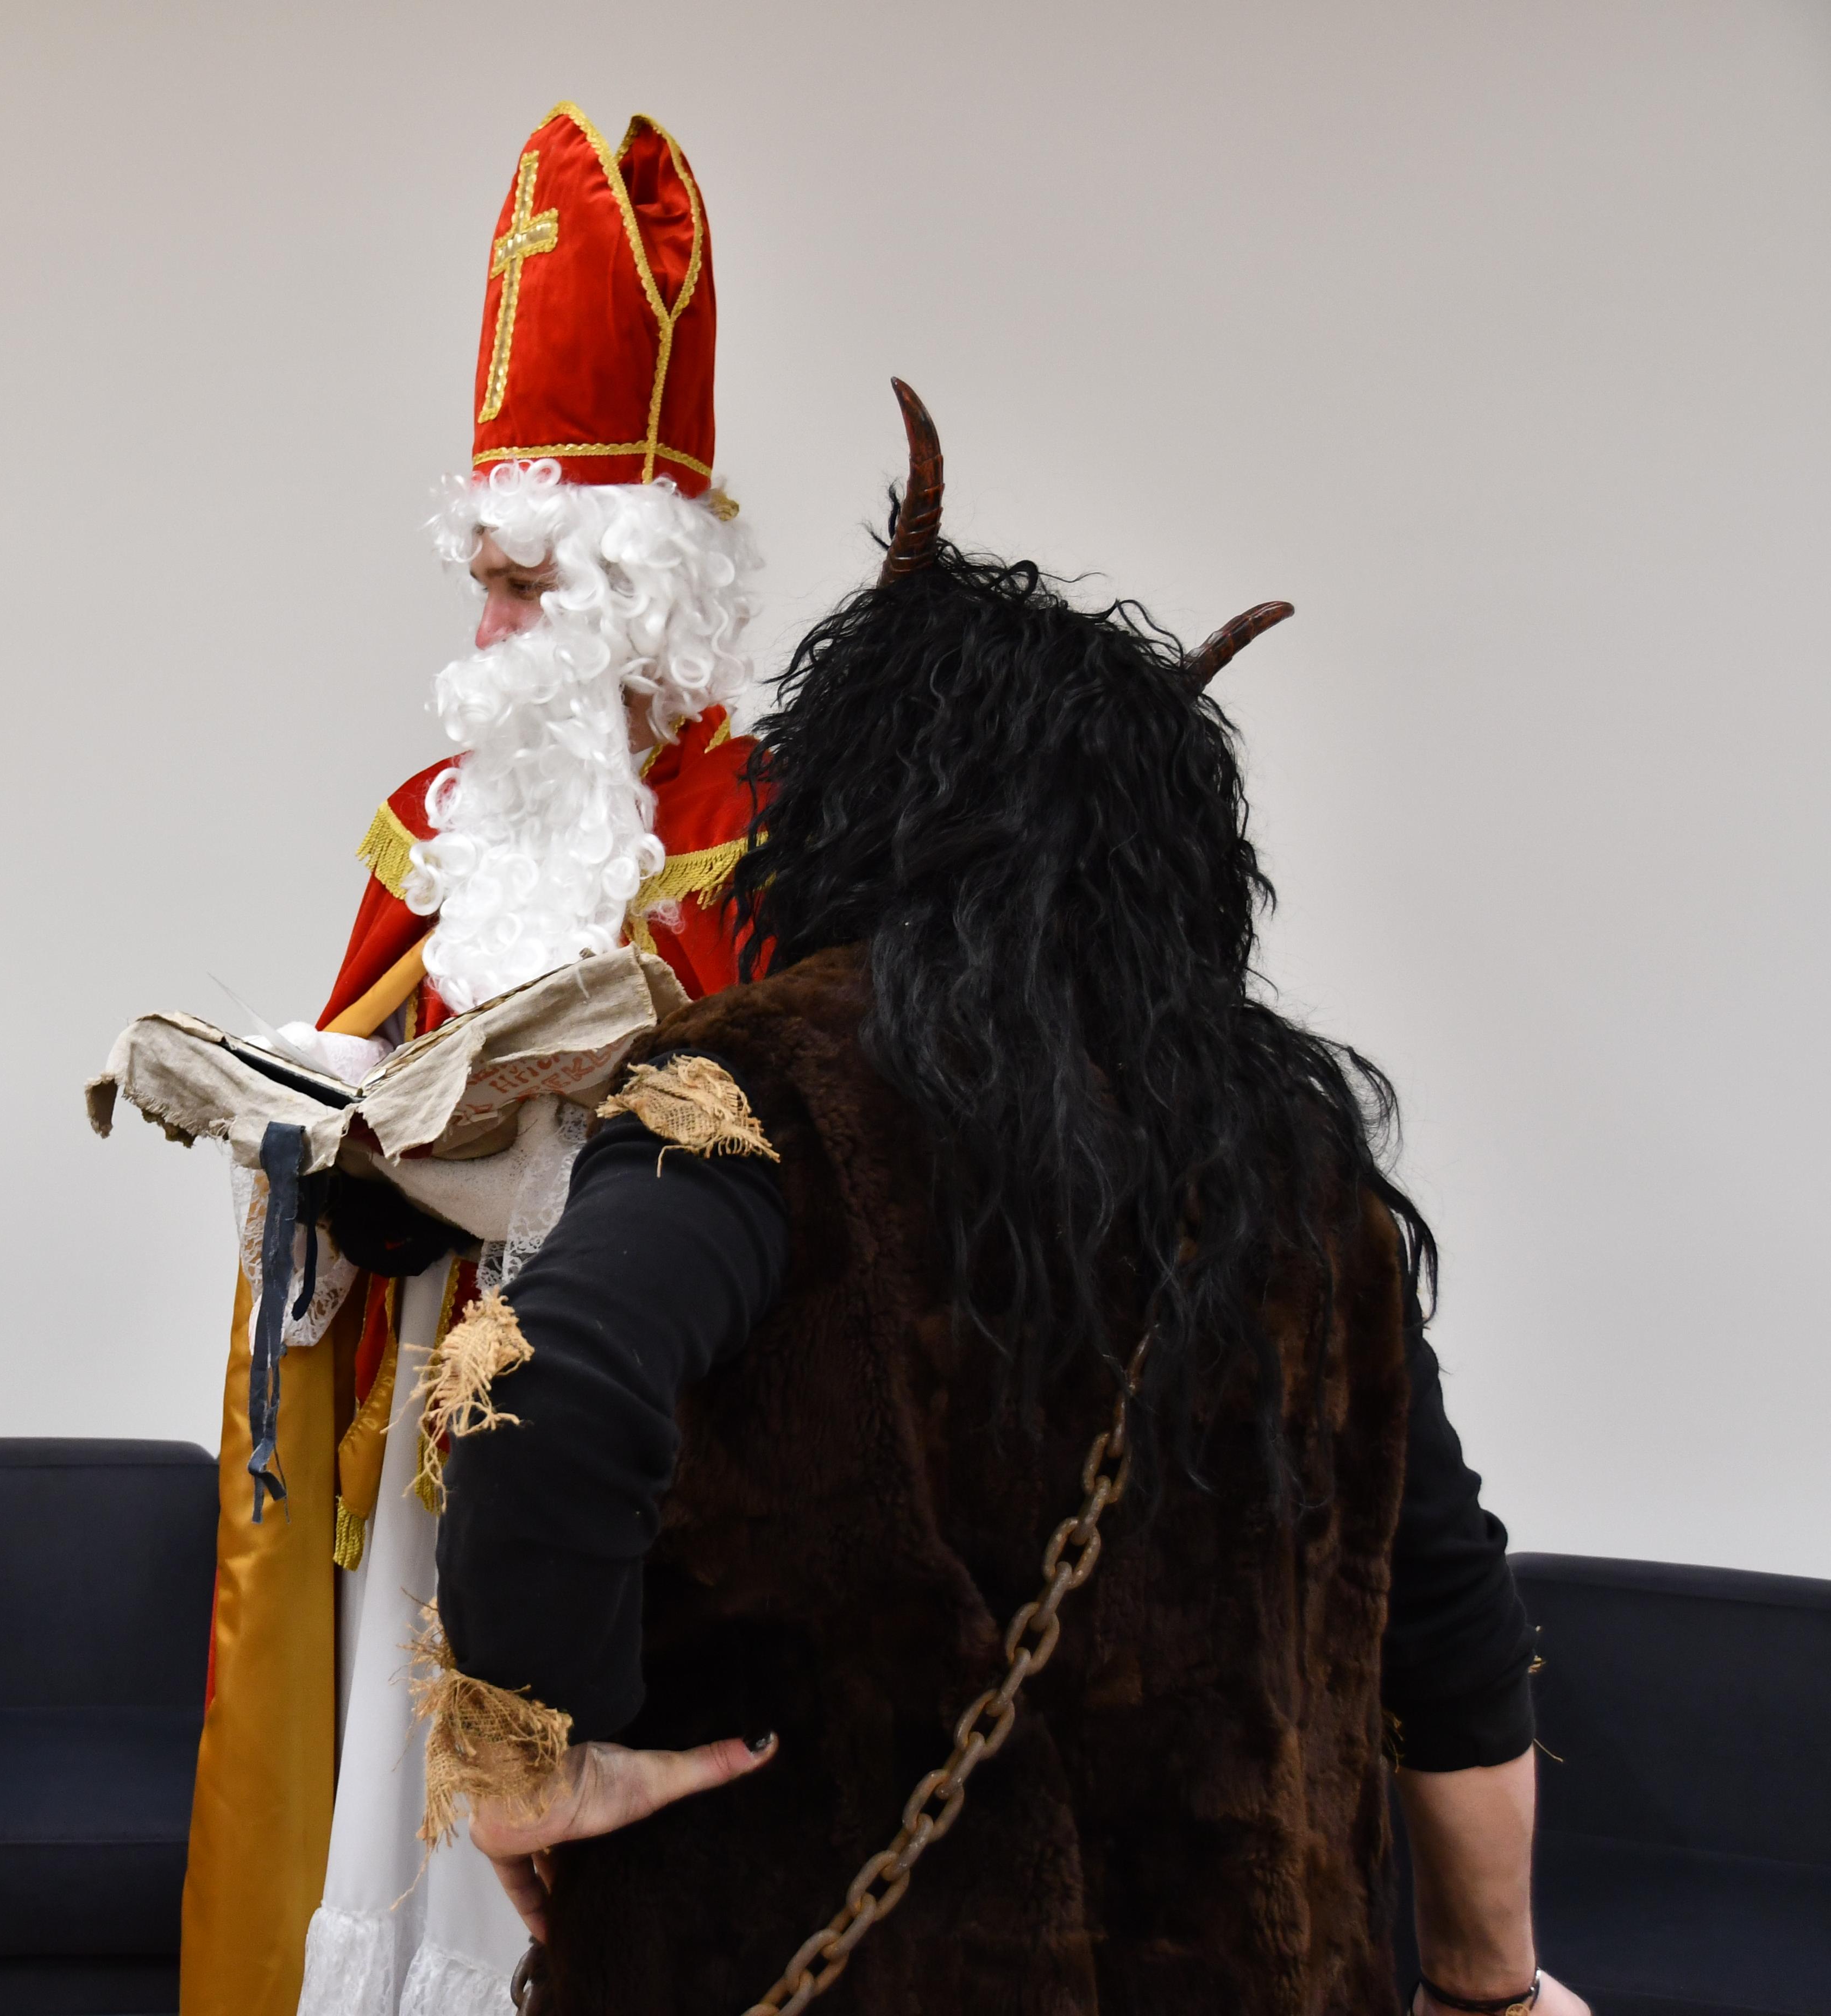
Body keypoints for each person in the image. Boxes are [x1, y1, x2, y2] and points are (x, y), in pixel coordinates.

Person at [420, 385, 1575, 2016]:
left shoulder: (764, 1085)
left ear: (839, 800)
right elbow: (1444, 1611)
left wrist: (536, 1754)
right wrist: (1489, 1985)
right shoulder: (1294, 1153)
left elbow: (549, 1381)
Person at [179, 102, 766, 2016]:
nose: (491, 630)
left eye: (531, 589)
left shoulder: (756, 833)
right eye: (485, 581)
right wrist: (319, 1170)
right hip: (430, 1428)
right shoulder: (433, 819)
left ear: (641, 592)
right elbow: (355, 1086)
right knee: (410, 1842)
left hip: (648, 1459)